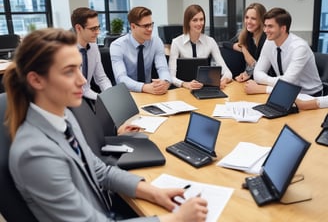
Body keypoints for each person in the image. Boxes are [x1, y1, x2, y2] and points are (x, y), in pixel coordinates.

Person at [3, 28, 208, 222]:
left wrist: (155, 193)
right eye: (69, 71)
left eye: (79, 68)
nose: (83, 80)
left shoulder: (63, 117)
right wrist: (176, 219)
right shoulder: (34, 153)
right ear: (36, 81)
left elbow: (100, 170)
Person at [245, 7, 323, 96]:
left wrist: (264, 88)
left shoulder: (300, 47)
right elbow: (257, 74)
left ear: (283, 28)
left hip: (309, 95)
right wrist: (279, 82)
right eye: (265, 26)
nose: (265, 30)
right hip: (284, 92)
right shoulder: (269, 42)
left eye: (270, 26)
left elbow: (288, 81)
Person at [110, 6, 172, 94]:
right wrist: (143, 87)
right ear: (133, 26)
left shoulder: (156, 41)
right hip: (126, 93)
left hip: (149, 92)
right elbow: (121, 78)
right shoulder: (117, 46)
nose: (150, 29)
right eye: (146, 26)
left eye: (151, 24)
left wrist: (165, 82)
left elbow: (163, 69)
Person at [169, 4, 232, 90]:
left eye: (201, 19)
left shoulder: (210, 41)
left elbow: (227, 72)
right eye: (195, 20)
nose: (199, 23)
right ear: (188, 22)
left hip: (204, 88)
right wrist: (185, 84)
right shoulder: (176, 43)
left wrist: (222, 81)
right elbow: (171, 76)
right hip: (183, 89)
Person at [71, 7, 112, 101]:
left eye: (98, 27)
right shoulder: (66, 51)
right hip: (70, 99)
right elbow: (78, 88)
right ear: (78, 28)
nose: (98, 32)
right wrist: (101, 99)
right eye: (93, 29)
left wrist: (110, 95)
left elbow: (101, 78)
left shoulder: (93, 47)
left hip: (89, 95)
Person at [232, 3, 267, 82]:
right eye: (247, 17)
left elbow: (258, 66)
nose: (248, 21)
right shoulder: (246, 35)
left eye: (253, 18)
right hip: (249, 79)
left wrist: (243, 49)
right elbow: (225, 44)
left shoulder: (266, 40)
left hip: (264, 82)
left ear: (261, 20)